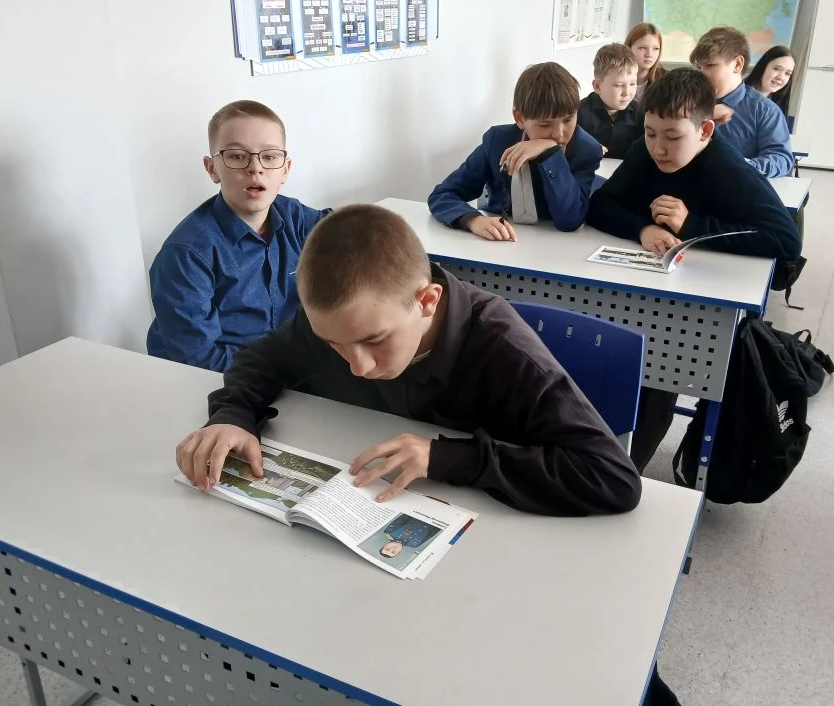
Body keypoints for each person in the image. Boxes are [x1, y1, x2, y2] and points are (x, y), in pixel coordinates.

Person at [174, 204, 642, 516]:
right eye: (334, 345)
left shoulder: (504, 351)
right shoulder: (342, 323)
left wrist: (445, 457)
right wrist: (234, 415)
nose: (358, 366)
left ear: (427, 300)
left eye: (374, 341)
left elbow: (613, 478)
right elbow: (260, 360)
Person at [587, 68, 801, 471]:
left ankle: (619, 471)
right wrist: (643, 229)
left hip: (703, 303)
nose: (658, 148)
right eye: (650, 133)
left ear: (705, 131)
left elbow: (785, 240)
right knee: (609, 355)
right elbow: (600, 204)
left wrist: (693, 227)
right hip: (644, 284)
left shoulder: (728, 168)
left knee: (658, 376)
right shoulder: (645, 151)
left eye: (673, 137)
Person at [146, 100, 329, 372]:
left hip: (284, 363)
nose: (255, 168)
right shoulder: (186, 255)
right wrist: (285, 370)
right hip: (214, 377)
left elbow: (353, 236)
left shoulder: (295, 217)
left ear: (285, 169)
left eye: (269, 156)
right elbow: (198, 359)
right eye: (237, 156)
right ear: (212, 169)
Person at [427, 62, 602, 240]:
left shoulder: (586, 149)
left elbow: (569, 220)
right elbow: (443, 194)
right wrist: (473, 220)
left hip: (556, 245)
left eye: (568, 120)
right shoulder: (498, 141)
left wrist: (551, 153)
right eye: (545, 124)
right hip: (503, 241)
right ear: (519, 118)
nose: (558, 133)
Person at [690, 27, 794, 178]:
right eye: (700, 67)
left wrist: (741, 167)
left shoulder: (765, 111)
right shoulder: (687, 103)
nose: (702, 73)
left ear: (737, 64)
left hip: (735, 187)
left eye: (710, 65)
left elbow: (781, 158)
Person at [577, 43, 643, 159]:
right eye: (619, 85)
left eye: (632, 84)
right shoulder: (579, 112)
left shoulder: (639, 114)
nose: (627, 92)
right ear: (597, 86)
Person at [745, 44, 797, 119]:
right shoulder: (739, 95)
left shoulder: (776, 108)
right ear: (763, 66)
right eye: (777, 69)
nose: (781, 77)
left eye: (787, 73)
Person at [625, 23, 667, 100]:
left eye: (656, 49)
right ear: (628, 48)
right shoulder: (615, 78)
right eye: (642, 48)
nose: (649, 54)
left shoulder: (666, 82)